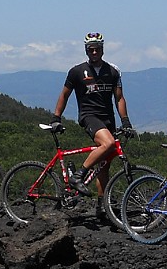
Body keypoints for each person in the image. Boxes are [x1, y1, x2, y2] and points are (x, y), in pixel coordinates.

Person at [50, 33, 135, 207]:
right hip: (89, 116)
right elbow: (64, 95)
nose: (94, 52)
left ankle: (101, 206)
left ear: (102, 49)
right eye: (91, 49)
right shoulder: (76, 71)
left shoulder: (113, 71)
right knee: (108, 144)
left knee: (104, 166)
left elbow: (119, 98)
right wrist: (56, 117)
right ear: (86, 50)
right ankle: (78, 175)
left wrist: (125, 121)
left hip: (108, 119)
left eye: (97, 49)